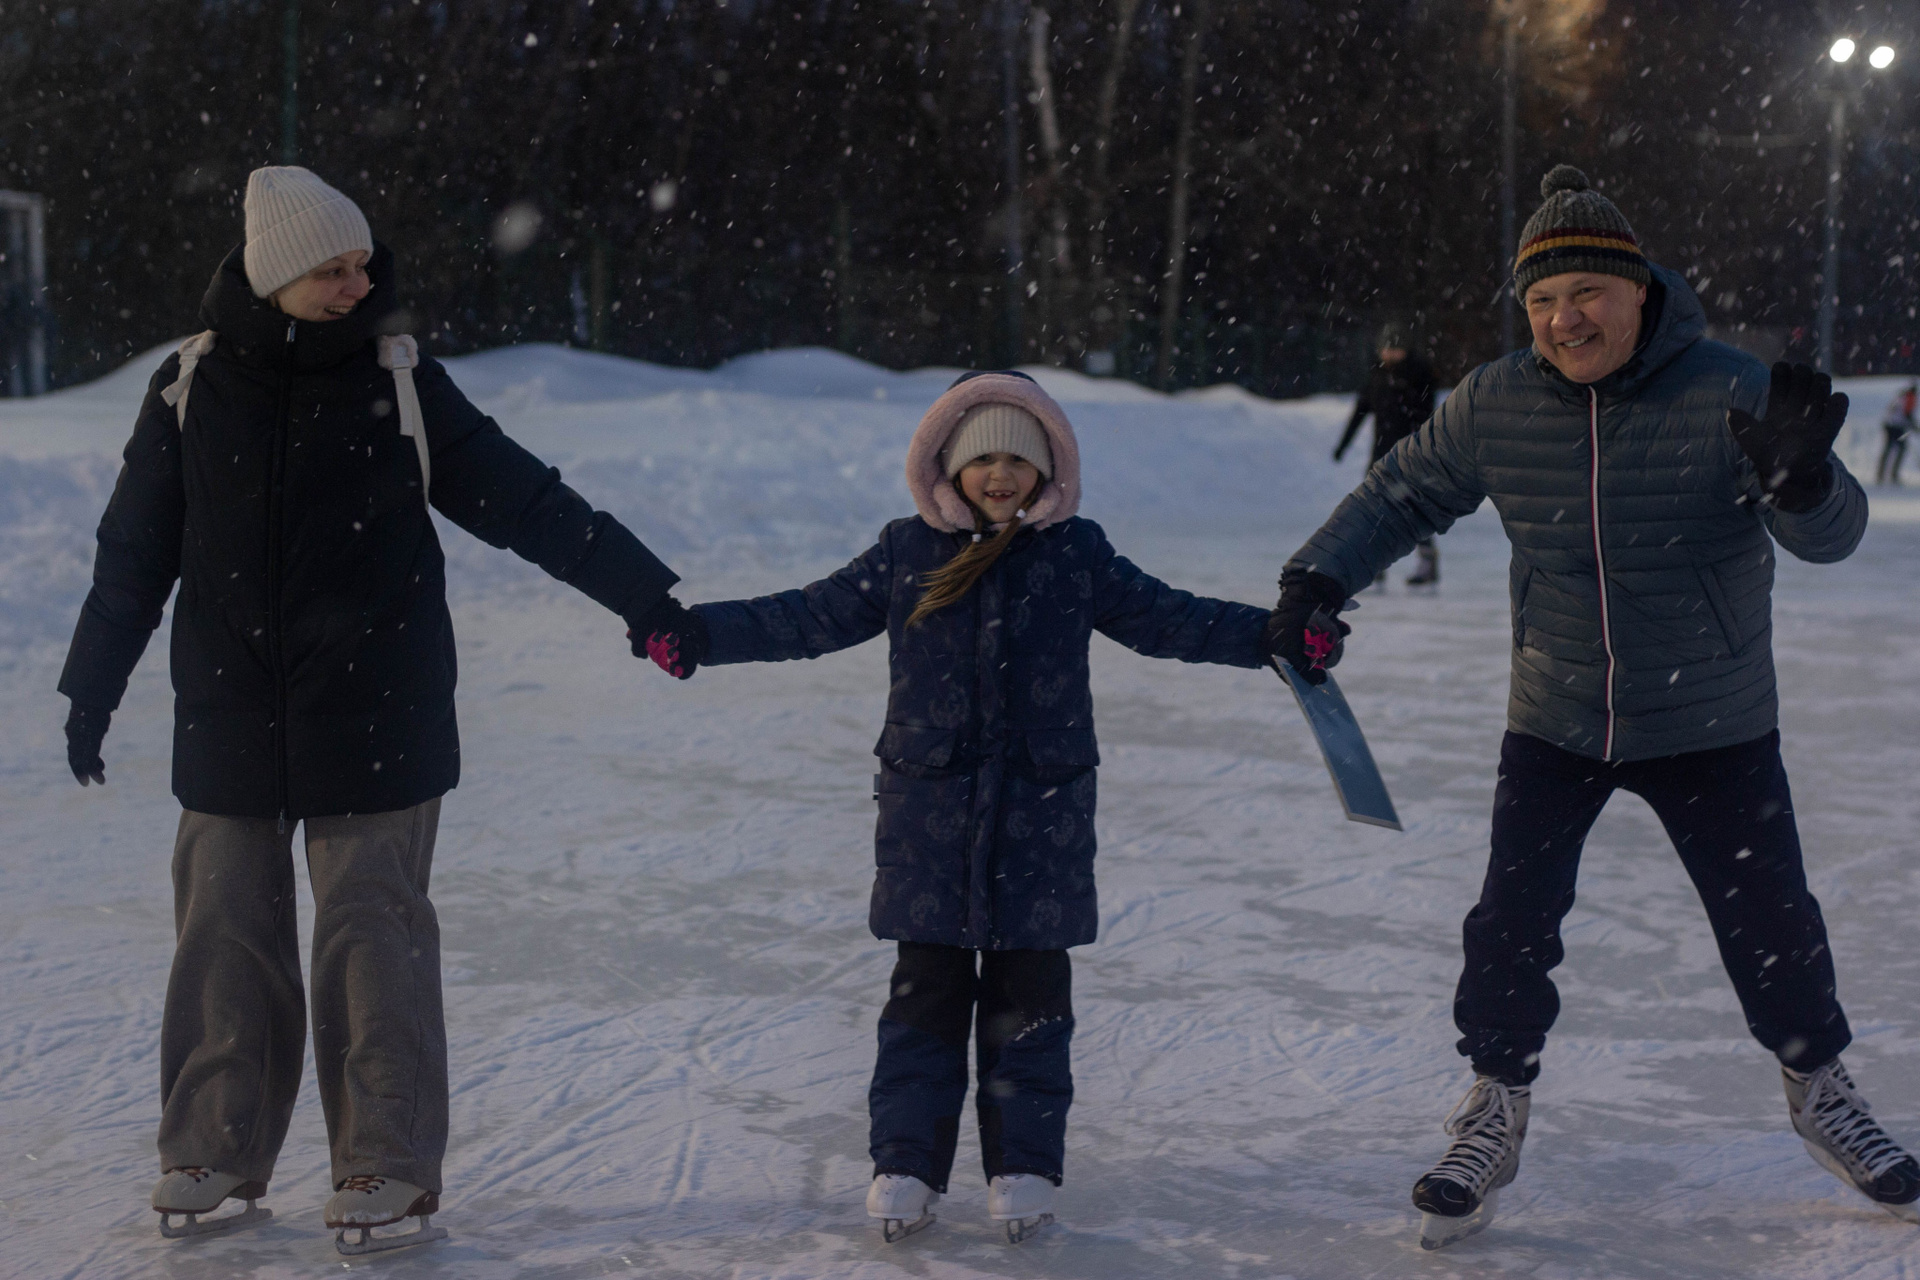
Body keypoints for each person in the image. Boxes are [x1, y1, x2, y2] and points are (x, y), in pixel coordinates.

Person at [1264, 165, 1918, 1248]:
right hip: (1559, 713)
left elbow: (1832, 539)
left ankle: (1820, 1087)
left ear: (1639, 292)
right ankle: (1493, 1105)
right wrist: (1316, 578)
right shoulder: (1498, 400)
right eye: (1542, 299)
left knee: (1772, 922)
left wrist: (1807, 484)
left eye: (1586, 294)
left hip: (1712, 720)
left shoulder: (1729, 387)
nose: (1565, 319)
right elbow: (1401, 492)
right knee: (1510, 925)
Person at [58, 167, 688, 1253]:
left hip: (379, 708)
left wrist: (644, 595)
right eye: (334, 270)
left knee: (371, 937)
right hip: (230, 710)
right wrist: (91, 687)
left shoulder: (399, 383)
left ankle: (384, 1161)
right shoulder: (190, 386)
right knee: (221, 931)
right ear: (274, 275)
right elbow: (132, 555)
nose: (361, 285)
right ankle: (210, 1147)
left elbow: (527, 500)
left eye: (362, 264)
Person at [631, 371, 1269, 1245]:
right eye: (983, 459)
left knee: (1031, 998)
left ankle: (1023, 1166)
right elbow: (807, 617)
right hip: (928, 820)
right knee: (924, 996)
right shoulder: (907, 551)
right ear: (947, 465)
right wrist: (701, 635)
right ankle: (906, 1163)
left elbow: (1173, 619)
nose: (1000, 475)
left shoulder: (1075, 553)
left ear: (1049, 468)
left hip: (1042, 818)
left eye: (1019, 459)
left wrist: (1272, 638)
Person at [1333, 324, 1442, 585]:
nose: (1389, 354)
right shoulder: (1377, 376)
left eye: (1395, 349)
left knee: (1412, 509)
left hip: (1411, 454)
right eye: (1386, 349)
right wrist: (1343, 445)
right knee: (1374, 509)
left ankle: (1427, 562)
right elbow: (1360, 412)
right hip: (1381, 453)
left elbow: (1428, 415)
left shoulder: (1419, 374)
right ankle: (1375, 562)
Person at [1876, 379, 1917, 485]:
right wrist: (1915, 427)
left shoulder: (1900, 396)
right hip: (1897, 426)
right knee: (1901, 449)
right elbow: (1908, 414)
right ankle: (1893, 475)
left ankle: (1880, 474)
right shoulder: (1910, 397)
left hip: (1889, 424)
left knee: (1888, 449)